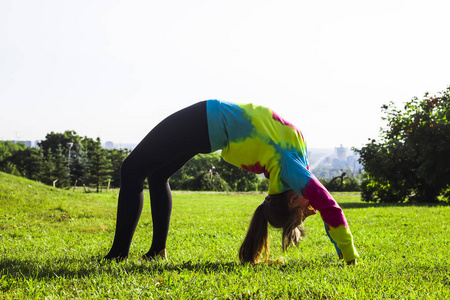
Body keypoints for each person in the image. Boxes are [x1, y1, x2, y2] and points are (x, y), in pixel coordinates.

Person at [103, 100, 359, 265]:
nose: (310, 207)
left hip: (206, 120)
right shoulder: (294, 171)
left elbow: (329, 207)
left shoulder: (291, 170)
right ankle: (156, 252)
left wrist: (350, 256)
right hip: (208, 128)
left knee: (131, 170)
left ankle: (117, 255)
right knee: (157, 176)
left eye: (305, 210)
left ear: (293, 199)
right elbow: (327, 209)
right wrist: (342, 251)